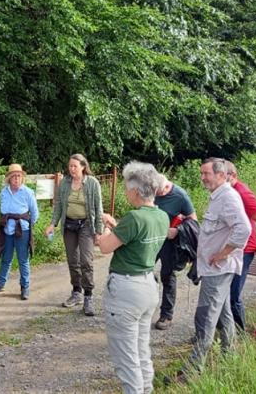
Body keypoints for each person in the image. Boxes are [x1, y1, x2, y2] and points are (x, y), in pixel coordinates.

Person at [169, 158, 250, 384]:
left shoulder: (228, 198)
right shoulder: (219, 196)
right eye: (202, 173)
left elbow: (244, 228)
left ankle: (192, 372)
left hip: (219, 269)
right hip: (213, 268)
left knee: (205, 317)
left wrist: (224, 253)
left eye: (207, 174)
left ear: (221, 175)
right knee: (223, 315)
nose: (203, 177)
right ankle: (230, 357)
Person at [96, 162, 169, 394]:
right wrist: (116, 226)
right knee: (141, 349)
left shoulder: (134, 218)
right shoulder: (161, 216)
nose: (126, 192)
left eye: (128, 188)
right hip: (148, 284)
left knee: (126, 359)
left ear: (136, 191)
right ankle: (146, 390)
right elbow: (137, 240)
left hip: (126, 289)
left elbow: (105, 247)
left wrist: (105, 232)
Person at [45, 153, 104, 316]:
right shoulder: (64, 183)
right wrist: (52, 224)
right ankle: (76, 291)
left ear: (83, 167)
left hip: (86, 225)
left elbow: (99, 209)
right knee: (73, 261)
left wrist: (98, 231)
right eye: (70, 166)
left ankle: (88, 296)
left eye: (75, 166)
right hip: (69, 225)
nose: (71, 169)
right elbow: (58, 205)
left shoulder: (92, 183)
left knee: (86, 260)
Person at [223, 161, 256, 331]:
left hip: (243, 250)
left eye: (224, 177)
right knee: (221, 293)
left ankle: (239, 334)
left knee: (232, 295)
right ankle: (223, 329)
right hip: (228, 248)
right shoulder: (225, 192)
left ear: (234, 176)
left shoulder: (243, 194)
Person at [0, 164, 40, 300]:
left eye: (19, 176)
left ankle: (25, 286)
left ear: (22, 178)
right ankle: (0, 283)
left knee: (23, 260)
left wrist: (27, 225)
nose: (16, 178)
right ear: (9, 178)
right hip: (7, 230)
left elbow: (34, 213)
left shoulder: (28, 192)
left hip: (23, 230)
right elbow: (3, 210)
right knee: (6, 258)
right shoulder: (4, 192)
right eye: (14, 176)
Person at [152, 172, 197, 331]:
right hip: (151, 238)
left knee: (168, 275)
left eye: (158, 192)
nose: (155, 195)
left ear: (166, 186)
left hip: (170, 242)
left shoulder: (180, 196)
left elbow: (193, 220)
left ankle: (166, 315)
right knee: (142, 269)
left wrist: (177, 230)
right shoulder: (151, 189)